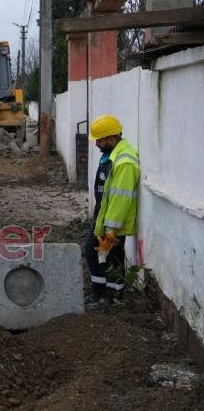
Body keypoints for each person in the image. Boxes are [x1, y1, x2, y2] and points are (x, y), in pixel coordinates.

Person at [84, 114, 140, 310]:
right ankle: (100, 295)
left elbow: (120, 199)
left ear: (111, 138)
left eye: (99, 140)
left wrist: (110, 230)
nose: (97, 144)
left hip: (112, 224)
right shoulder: (111, 154)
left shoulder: (124, 162)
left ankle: (114, 298)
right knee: (92, 252)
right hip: (103, 217)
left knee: (113, 258)